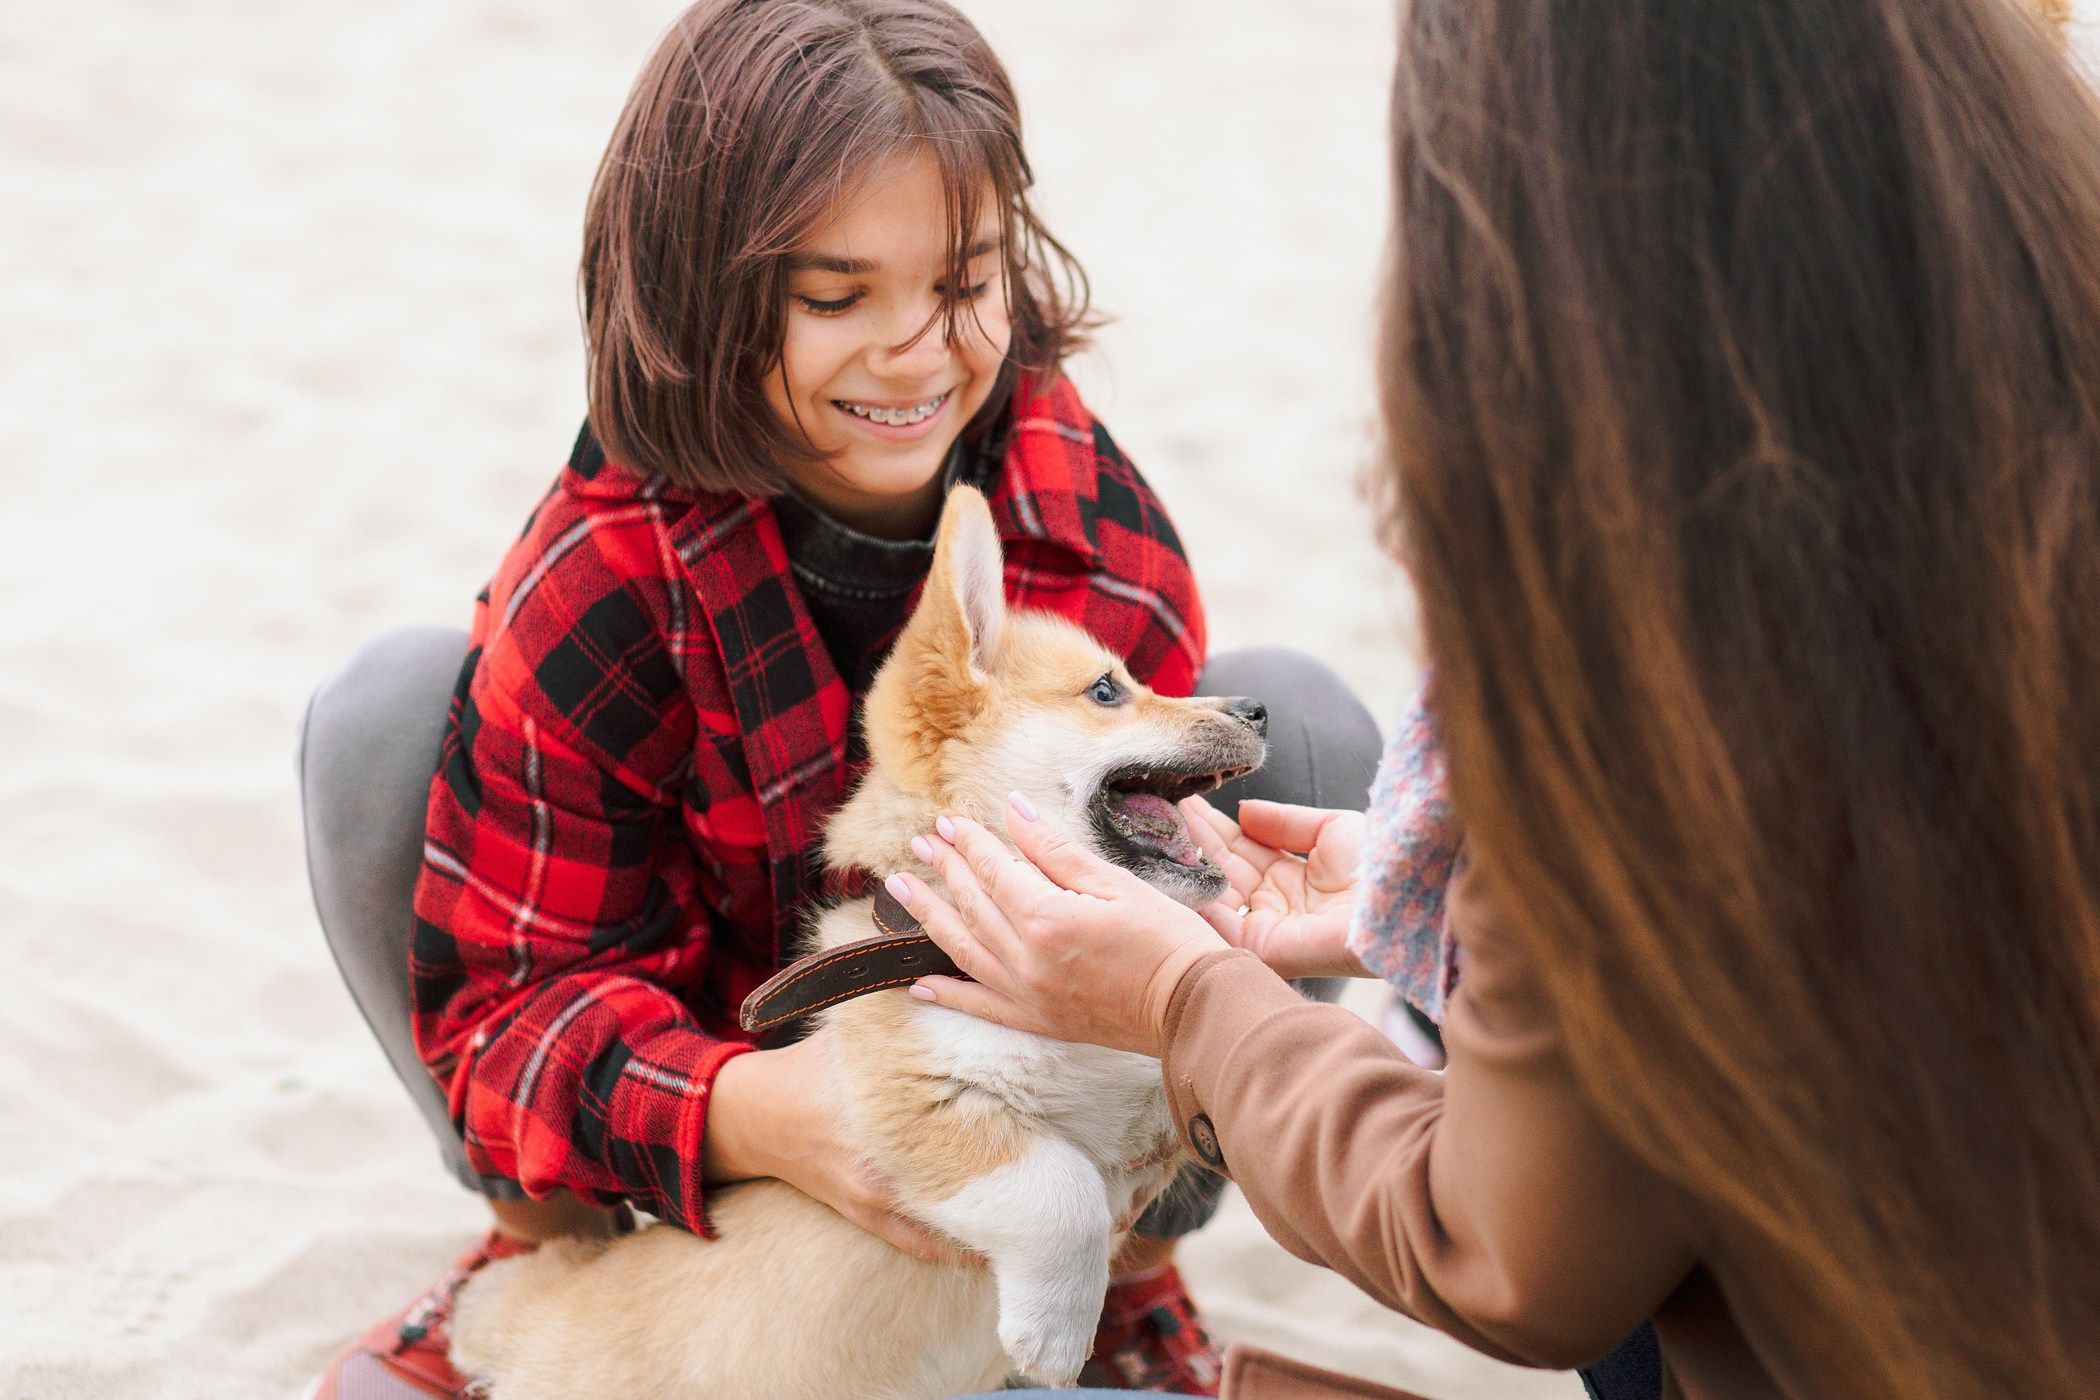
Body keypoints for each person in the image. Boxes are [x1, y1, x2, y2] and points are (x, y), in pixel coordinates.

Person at [891, 0, 2100, 1395]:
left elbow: (1516, 1258)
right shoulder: (2000, 469)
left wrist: (1188, 1007)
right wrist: (1449, 920)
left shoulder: (1655, 671)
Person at [298, 2, 1383, 1397]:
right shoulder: (609, 570)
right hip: (701, 1083)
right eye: (835, 297)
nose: (919, 355)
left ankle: (1119, 1278)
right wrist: (760, 1113)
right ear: (708, 298)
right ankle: (537, 1247)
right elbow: (510, 1008)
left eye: (963, 281)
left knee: (1299, 724)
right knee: (389, 713)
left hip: (1008, 1087)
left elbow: (1131, 934)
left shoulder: (1089, 529)